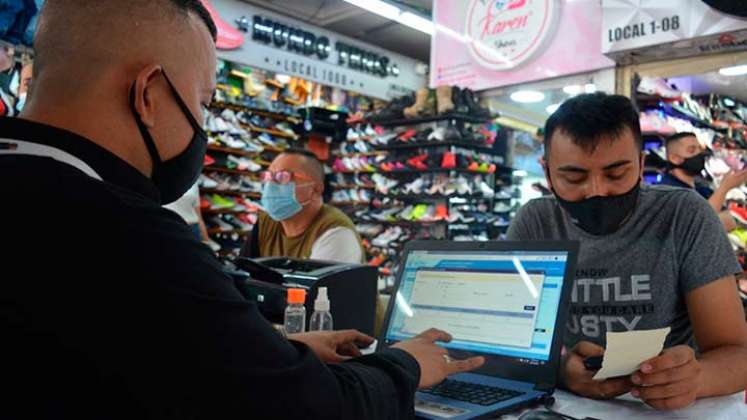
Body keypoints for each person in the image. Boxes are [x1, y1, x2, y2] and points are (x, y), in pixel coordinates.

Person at [0, 1, 484, 418]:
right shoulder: (127, 235)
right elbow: (310, 409)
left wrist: (281, 353)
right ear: (147, 93)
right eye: (204, 102)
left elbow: (146, 359)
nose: (203, 125)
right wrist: (407, 365)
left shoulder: (41, 198)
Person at [507, 92, 747, 410]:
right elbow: (506, 344)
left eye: (617, 174)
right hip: (570, 405)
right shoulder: (536, 222)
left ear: (641, 164)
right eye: (573, 177)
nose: (596, 191)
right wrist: (562, 372)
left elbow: (736, 353)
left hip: (668, 409)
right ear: (547, 172)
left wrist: (694, 378)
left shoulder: (684, 215)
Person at [241, 148, 363, 264]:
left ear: (315, 189)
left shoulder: (336, 233)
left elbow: (319, 286)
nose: (270, 185)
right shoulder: (266, 222)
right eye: (268, 176)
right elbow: (241, 274)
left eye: (283, 176)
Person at [661, 131, 747, 231]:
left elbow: (727, 219)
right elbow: (698, 224)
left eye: (700, 149)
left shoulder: (701, 187)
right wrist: (724, 188)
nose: (699, 154)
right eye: (692, 150)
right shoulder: (668, 192)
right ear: (674, 158)